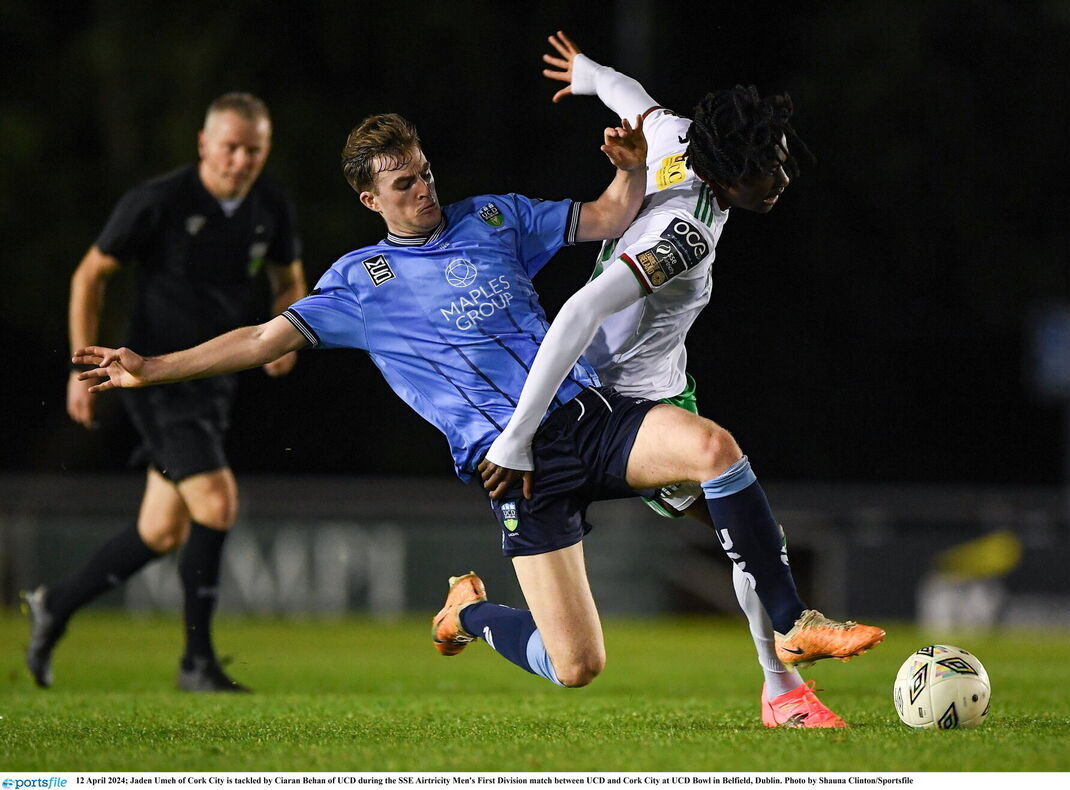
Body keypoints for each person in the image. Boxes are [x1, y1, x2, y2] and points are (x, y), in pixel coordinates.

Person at [70, 110, 883, 703]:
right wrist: (153, 366)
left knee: (714, 449)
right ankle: (469, 611)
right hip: (511, 470)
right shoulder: (359, 282)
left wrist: (632, 169)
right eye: (403, 183)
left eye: (424, 171)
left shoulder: (491, 217)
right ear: (369, 200)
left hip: (585, 419)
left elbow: (605, 216)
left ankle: (790, 622)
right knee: (576, 668)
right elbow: (258, 339)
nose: (424, 190)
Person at [479, 31, 842, 728]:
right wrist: (517, 436)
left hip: (662, 391)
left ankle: (784, 686)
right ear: (729, 177)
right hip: (623, 407)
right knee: (752, 535)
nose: (782, 178)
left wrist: (587, 73)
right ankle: (784, 690)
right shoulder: (686, 231)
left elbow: (632, 99)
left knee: (754, 536)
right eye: (769, 168)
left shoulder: (681, 138)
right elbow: (581, 309)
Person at [23, 92, 305, 693]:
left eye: (253, 149)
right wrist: (83, 366)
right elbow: (90, 275)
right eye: (229, 146)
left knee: (162, 531)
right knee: (217, 502)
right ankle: (195, 664)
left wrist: (285, 334)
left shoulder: (270, 204)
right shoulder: (159, 201)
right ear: (204, 144)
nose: (240, 160)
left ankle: (56, 604)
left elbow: (289, 281)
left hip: (213, 381)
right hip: (151, 379)